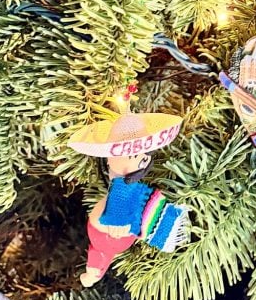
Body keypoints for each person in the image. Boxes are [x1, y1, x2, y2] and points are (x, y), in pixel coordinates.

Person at [68, 111, 189, 286]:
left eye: (145, 154)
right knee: (103, 251)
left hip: (109, 237)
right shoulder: (122, 191)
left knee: (103, 251)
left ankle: (94, 271)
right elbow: (118, 218)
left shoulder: (125, 189)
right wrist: (121, 224)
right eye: (135, 155)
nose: (145, 159)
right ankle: (94, 272)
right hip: (107, 236)